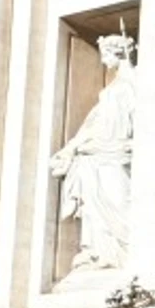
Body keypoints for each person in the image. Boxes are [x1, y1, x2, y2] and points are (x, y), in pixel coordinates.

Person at [51, 31, 138, 270]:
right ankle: (97, 252)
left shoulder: (133, 83)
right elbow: (93, 122)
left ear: (118, 53)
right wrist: (73, 147)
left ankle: (121, 253)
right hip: (98, 152)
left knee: (117, 199)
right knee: (93, 203)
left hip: (117, 152)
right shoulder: (115, 87)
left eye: (106, 55)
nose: (102, 61)